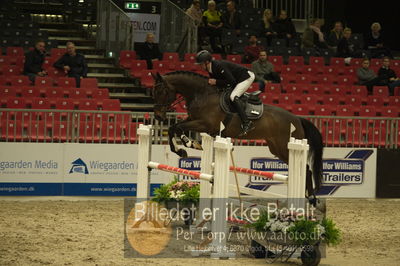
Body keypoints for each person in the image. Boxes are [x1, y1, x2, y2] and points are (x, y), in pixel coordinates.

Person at [195, 50, 255, 135]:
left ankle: (247, 123)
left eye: (201, 64)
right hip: (237, 79)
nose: (200, 66)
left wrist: (216, 82)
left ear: (207, 62)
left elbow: (231, 81)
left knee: (233, 96)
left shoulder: (219, 66)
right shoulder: (210, 69)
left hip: (246, 77)